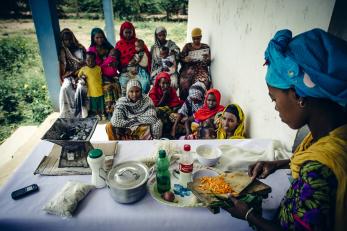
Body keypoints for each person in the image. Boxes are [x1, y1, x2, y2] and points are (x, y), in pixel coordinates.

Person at [222, 29, 347, 231]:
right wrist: (279, 163)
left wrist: (248, 215)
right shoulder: (333, 132)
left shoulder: (319, 169)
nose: (276, 107)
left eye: (274, 98)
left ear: (299, 96)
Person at [115, 21, 151, 96]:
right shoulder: (119, 44)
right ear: (122, 32)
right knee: (124, 84)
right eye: (126, 32)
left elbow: (147, 55)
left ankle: (141, 102)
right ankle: (127, 103)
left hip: (139, 70)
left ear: (133, 31)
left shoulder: (139, 43)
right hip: (125, 71)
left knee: (145, 84)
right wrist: (122, 68)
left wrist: (139, 63)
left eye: (130, 32)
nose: (128, 35)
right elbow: (116, 59)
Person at [88, 27, 117, 117]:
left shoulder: (108, 47)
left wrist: (114, 63)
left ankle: (116, 110)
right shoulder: (91, 50)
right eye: (97, 38)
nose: (100, 39)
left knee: (116, 85)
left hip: (109, 72)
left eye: (101, 37)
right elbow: (92, 65)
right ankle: (108, 111)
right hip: (97, 74)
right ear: (93, 38)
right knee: (107, 87)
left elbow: (115, 58)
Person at [58, 28, 86, 118]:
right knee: (65, 88)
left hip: (81, 73)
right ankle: (67, 114)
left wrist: (79, 76)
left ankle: (81, 113)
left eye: (70, 39)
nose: (68, 41)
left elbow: (86, 63)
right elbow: (63, 69)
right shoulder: (63, 51)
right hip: (69, 75)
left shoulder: (80, 48)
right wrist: (71, 76)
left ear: (73, 38)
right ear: (62, 41)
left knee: (80, 87)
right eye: (66, 40)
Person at [179, 27, 211, 100]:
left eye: (198, 38)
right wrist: (185, 59)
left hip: (201, 69)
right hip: (188, 68)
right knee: (184, 82)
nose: (196, 40)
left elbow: (208, 63)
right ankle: (184, 101)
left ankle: (200, 102)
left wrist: (207, 59)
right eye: (194, 39)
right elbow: (181, 57)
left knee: (203, 82)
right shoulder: (187, 46)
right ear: (192, 38)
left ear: (201, 37)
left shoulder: (205, 47)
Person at [149, 72, 183, 137]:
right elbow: (155, 106)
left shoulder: (171, 90)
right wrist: (164, 96)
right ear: (159, 83)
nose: (166, 86)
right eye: (163, 83)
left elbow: (176, 103)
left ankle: (175, 127)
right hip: (158, 111)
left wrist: (174, 109)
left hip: (169, 110)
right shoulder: (153, 92)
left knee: (182, 105)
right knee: (158, 111)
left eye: (167, 83)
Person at [78, 52, 104, 120]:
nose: (90, 62)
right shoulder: (83, 69)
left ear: (95, 60)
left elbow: (101, 77)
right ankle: (96, 114)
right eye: (88, 60)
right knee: (93, 104)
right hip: (91, 91)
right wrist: (82, 77)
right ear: (85, 60)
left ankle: (102, 113)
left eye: (92, 60)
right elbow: (79, 76)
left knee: (101, 103)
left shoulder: (98, 68)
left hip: (100, 90)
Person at [100, 48, 121, 118]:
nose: (112, 55)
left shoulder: (114, 61)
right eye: (111, 53)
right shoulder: (109, 59)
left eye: (114, 54)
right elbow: (102, 67)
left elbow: (116, 71)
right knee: (109, 93)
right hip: (106, 78)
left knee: (115, 91)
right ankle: (110, 110)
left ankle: (114, 110)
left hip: (112, 78)